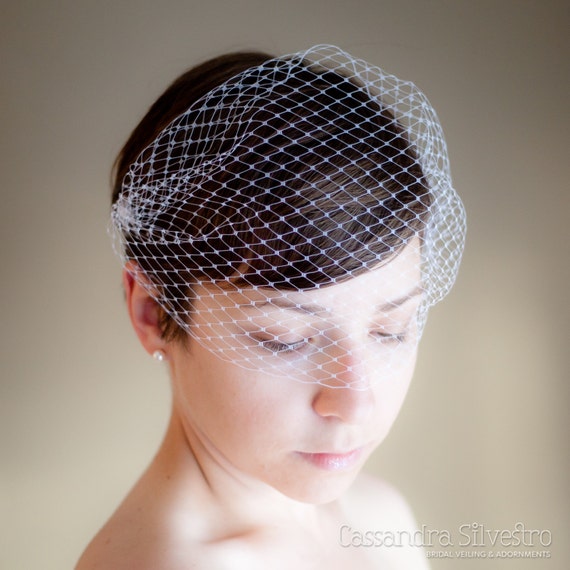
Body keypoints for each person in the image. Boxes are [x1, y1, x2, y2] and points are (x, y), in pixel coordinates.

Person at [76, 44, 465, 569]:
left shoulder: (380, 514)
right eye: (285, 339)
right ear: (153, 313)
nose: (356, 402)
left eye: (391, 329)